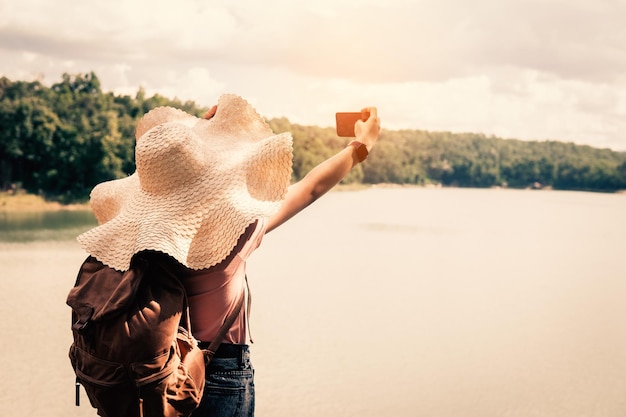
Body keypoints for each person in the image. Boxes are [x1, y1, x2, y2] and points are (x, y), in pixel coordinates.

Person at [76, 94, 381, 417]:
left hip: (155, 378)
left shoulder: (132, 237)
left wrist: (201, 133)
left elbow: (171, 175)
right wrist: (360, 147)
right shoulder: (233, 231)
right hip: (217, 373)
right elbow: (310, 188)